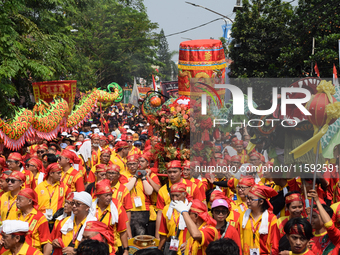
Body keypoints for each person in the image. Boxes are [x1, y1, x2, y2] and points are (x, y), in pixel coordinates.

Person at [156, 160, 205, 238]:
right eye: (169, 172)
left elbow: (202, 209)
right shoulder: (162, 190)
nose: (172, 174)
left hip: (190, 231)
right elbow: (160, 213)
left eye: (175, 172)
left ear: (181, 172)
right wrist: (157, 236)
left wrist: (200, 232)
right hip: (171, 231)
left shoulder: (192, 186)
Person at [239, 184, 280, 255]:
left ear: (261, 202)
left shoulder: (271, 218)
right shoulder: (243, 216)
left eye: (251, 199)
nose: (248, 201)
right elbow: (239, 239)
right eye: (247, 198)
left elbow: (275, 244)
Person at [91, 179, 129, 255]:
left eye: (110, 194)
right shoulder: (90, 207)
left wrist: (126, 250)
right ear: (98, 196)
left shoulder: (117, 206)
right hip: (94, 248)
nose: (109, 197)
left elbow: (122, 229)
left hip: (113, 248)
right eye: (106, 195)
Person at [9, 188, 52, 254]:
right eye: (17, 199)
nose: (17, 201)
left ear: (29, 201)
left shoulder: (40, 218)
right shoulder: (13, 214)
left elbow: (47, 243)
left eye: (20, 199)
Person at [122, 154, 153, 236]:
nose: (132, 166)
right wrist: (135, 176)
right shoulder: (123, 175)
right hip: (129, 209)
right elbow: (125, 189)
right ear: (127, 165)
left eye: (134, 164)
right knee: (130, 233)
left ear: (138, 164)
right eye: (130, 164)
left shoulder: (143, 174)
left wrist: (143, 178)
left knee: (141, 235)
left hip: (143, 209)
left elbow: (149, 192)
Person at [158, 183, 191, 255]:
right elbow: (164, 233)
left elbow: (199, 230)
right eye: (172, 196)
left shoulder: (191, 208)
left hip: (187, 249)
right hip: (171, 249)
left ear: (185, 194)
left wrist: (189, 242)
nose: (174, 199)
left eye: (177, 195)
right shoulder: (166, 209)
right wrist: (159, 249)